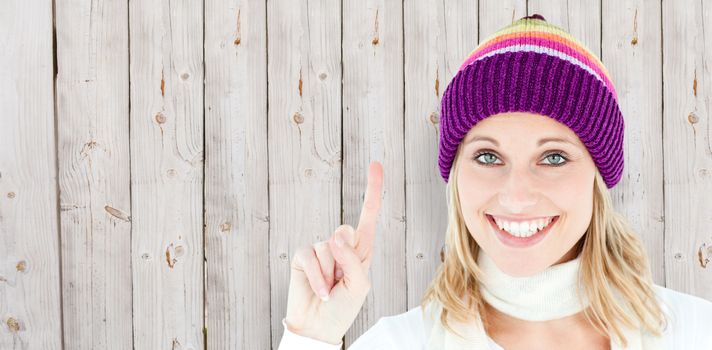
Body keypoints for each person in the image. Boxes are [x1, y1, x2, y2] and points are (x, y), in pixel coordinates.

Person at [277, 14, 712, 349]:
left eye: (554, 157)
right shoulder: (400, 343)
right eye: (488, 156)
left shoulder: (695, 334)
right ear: (456, 178)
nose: (517, 195)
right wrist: (310, 336)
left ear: (599, 176)